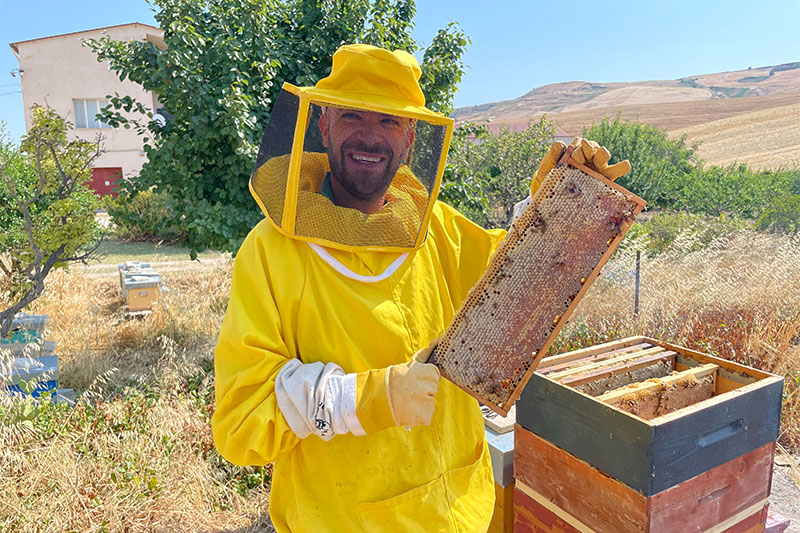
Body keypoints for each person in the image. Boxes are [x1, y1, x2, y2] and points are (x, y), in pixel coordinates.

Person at [212, 43, 630, 532]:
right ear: (322, 124)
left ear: (410, 138)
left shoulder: (430, 223)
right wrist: (372, 397)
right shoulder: (269, 252)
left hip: (461, 508)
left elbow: (511, 281)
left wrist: (557, 205)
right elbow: (242, 419)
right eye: (353, 116)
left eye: (390, 122)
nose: (371, 137)